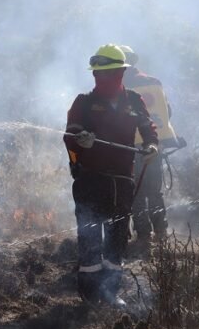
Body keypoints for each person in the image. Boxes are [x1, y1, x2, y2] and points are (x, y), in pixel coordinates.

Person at [64, 44, 159, 307]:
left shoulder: (134, 100)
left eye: (107, 73)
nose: (101, 78)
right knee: (90, 238)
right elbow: (70, 133)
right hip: (90, 181)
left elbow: (148, 127)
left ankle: (110, 292)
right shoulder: (83, 102)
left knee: (117, 237)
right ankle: (89, 296)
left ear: (120, 73)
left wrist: (152, 145)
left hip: (122, 181)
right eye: (97, 73)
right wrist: (79, 140)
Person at [118, 45, 185, 248]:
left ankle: (144, 235)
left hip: (131, 147)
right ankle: (161, 231)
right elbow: (167, 111)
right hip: (155, 143)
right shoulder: (154, 82)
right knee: (154, 191)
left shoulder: (118, 87)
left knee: (136, 192)